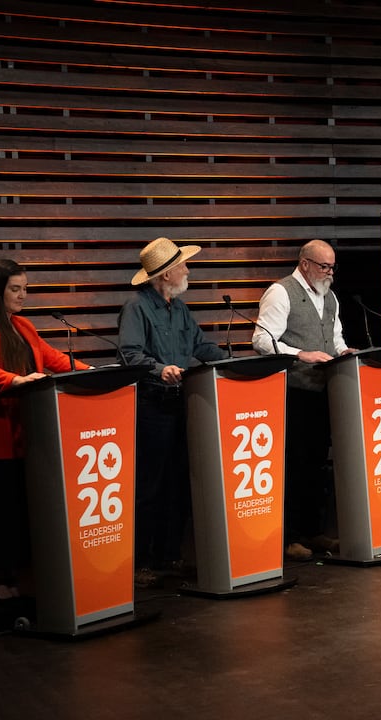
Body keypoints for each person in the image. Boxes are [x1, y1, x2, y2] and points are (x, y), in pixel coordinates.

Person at [0, 258, 91, 605]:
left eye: (25, 288)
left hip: (27, 434)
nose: (22, 295)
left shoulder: (23, 325)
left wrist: (93, 372)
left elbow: (54, 359)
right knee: (0, 514)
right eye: (15, 289)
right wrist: (17, 380)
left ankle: (18, 577)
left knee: (22, 513)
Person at [118, 237, 228, 587]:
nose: (188, 270)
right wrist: (159, 368)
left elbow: (200, 345)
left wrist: (232, 362)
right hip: (152, 406)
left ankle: (169, 556)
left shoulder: (179, 308)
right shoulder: (136, 307)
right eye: (183, 265)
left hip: (182, 403)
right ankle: (140, 563)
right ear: (166, 274)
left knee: (178, 484)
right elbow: (130, 354)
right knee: (149, 487)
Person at [253, 239, 353, 561]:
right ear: (305, 264)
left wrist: (343, 352)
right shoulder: (281, 292)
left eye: (332, 267)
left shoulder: (330, 297)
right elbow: (261, 340)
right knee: (294, 466)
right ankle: (289, 537)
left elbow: (334, 338)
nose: (330, 273)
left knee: (316, 465)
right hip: (292, 392)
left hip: (324, 392)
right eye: (324, 267)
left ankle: (313, 531)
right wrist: (301, 354)